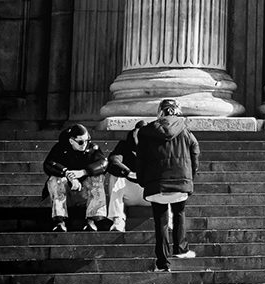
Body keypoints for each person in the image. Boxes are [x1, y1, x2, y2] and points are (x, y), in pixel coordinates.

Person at [111, 98, 200, 274]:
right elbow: (195, 153)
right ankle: (180, 249)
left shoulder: (146, 132)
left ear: (160, 113)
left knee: (161, 222)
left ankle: (162, 263)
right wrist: (190, 177)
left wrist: (144, 181)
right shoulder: (185, 130)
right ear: (177, 112)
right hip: (180, 182)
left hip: (156, 185)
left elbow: (141, 159)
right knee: (179, 212)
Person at [42, 123, 108, 235]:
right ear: (71, 141)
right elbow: (48, 164)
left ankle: (91, 220)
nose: (85, 144)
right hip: (64, 191)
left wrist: (83, 172)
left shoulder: (93, 149)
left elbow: (103, 164)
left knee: (97, 178)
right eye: (81, 142)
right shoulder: (60, 148)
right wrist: (67, 173)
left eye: (87, 140)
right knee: (55, 179)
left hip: (84, 192)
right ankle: (59, 221)